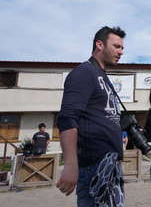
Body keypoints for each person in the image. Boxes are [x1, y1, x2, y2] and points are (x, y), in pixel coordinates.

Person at [56, 26, 126, 207]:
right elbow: (67, 118)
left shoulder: (102, 76)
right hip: (93, 168)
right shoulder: (84, 72)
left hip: (110, 167)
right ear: (99, 45)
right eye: (117, 46)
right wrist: (71, 164)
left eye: (122, 48)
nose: (121, 52)